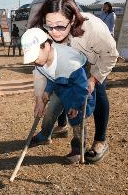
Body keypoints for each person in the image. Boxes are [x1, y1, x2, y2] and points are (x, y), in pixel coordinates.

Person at [29, 0, 118, 163]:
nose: (54, 32)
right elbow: (41, 68)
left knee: (96, 92)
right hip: (67, 63)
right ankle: (53, 130)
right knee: (58, 95)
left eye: (61, 26)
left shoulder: (92, 28)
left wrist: (93, 79)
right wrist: (40, 97)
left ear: (72, 19)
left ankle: (100, 141)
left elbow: (110, 55)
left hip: (95, 60)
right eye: (49, 26)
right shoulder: (44, 32)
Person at [21, 27, 95, 163]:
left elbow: (82, 86)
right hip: (61, 87)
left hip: (77, 92)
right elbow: (50, 75)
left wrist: (76, 105)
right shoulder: (42, 61)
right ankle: (45, 135)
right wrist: (46, 92)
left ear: (47, 45)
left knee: (77, 120)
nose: (34, 61)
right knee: (51, 111)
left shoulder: (70, 63)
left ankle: (79, 149)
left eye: (35, 56)